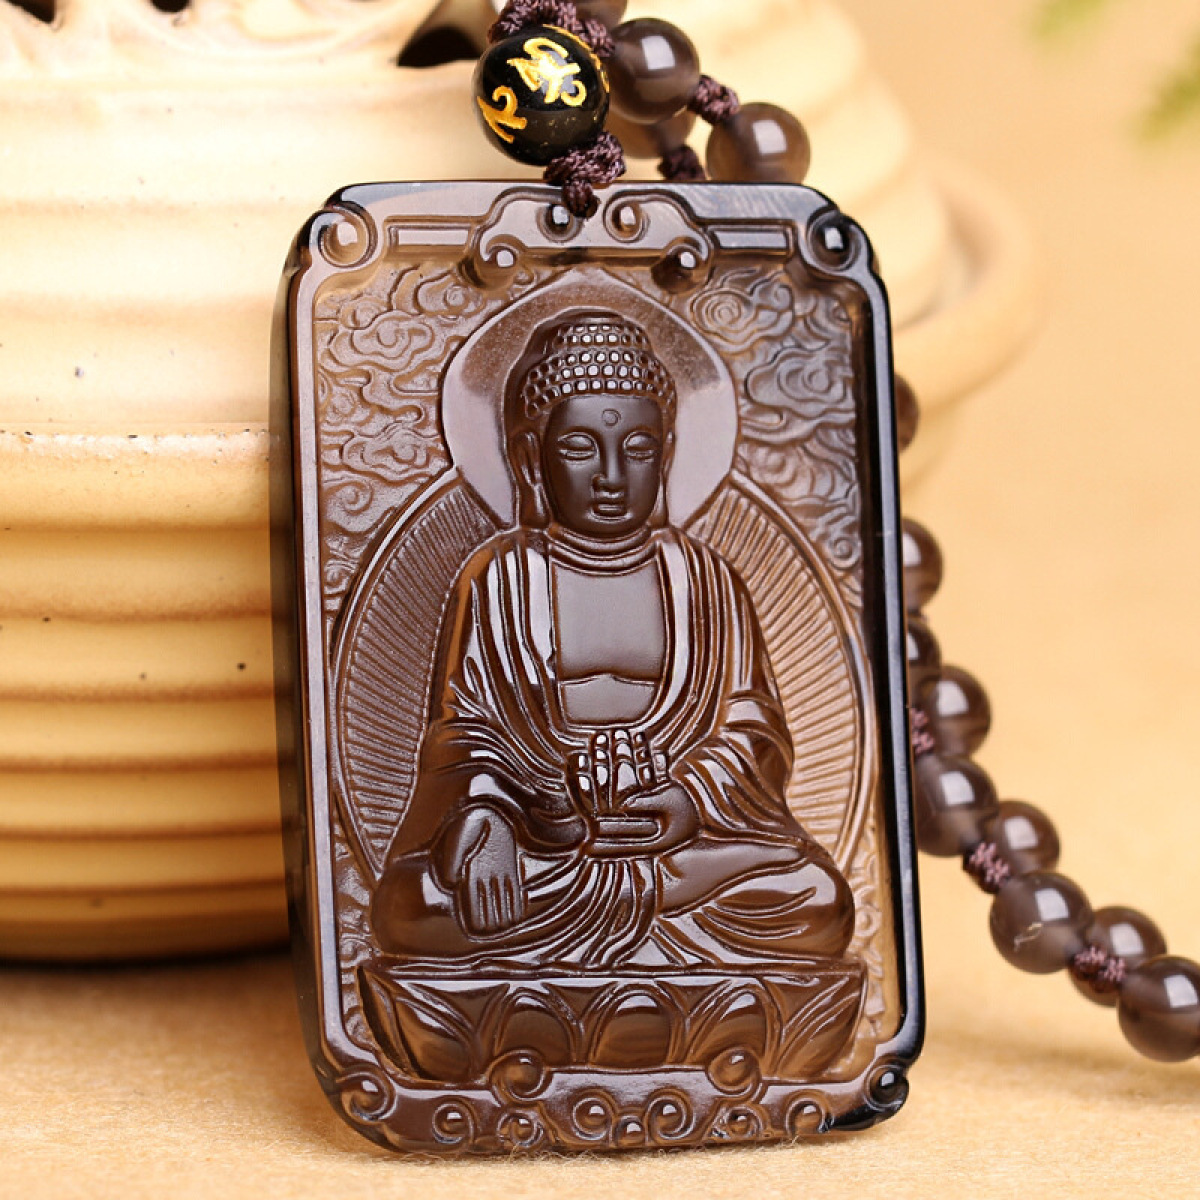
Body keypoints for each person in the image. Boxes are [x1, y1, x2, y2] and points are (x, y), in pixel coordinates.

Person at [371, 311, 855, 969]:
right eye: (579, 448)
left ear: (668, 454)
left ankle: (608, 942)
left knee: (817, 896)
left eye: (638, 449)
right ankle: (645, 941)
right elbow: (466, 737)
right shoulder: (501, 578)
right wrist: (488, 819)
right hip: (547, 847)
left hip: (682, 854)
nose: (610, 475)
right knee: (412, 907)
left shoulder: (705, 580)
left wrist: (690, 800)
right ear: (530, 459)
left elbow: (754, 730)